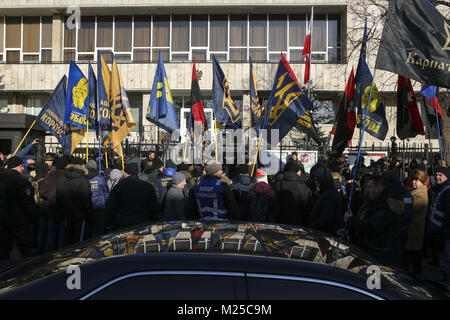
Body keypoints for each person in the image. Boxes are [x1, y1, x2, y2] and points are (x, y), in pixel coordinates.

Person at [345, 176, 403, 268]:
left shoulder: (387, 204)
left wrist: (351, 220)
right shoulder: (372, 201)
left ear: (378, 188)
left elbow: (373, 225)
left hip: (381, 254)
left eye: (369, 186)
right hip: (370, 250)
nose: (367, 189)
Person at [0, 156, 37, 260]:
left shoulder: (2, 179)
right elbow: (28, 203)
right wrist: (32, 217)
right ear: (20, 166)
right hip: (19, 220)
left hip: (4, 220)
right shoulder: (21, 181)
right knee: (26, 250)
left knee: (4, 250)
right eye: (22, 167)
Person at [106, 162, 158, 230]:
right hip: (142, 223)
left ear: (126, 173)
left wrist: (109, 223)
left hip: (123, 223)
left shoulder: (118, 187)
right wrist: (154, 220)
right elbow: (154, 206)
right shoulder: (148, 187)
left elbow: (111, 206)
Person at [56, 157, 93, 246]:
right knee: (78, 241)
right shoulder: (83, 180)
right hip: (80, 215)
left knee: (68, 238)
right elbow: (86, 199)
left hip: (66, 214)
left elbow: (58, 197)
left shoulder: (62, 179)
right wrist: (89, 214)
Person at [38, 156, 68, 253]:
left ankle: (48, 254)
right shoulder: (67, 176)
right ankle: (60, 254)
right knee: (62, 235)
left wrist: (50, 196)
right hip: (63, 209)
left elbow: (42, 191)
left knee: (51, 234)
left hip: (52, 207)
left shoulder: (50, 175)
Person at [402, 169, 429, 275]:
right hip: (413, 229)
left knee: (412, 256)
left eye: (416, 180)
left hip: (414, 229)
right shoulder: (415, 192)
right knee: (413, 256)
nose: (413, 182)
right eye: (413, 179)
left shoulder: (420, 195)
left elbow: (409, 209)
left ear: (422, 181)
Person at [427, 166, 450, 284]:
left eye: (440, 175)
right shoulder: (439, 190)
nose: (437, 177)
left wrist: (444, 233)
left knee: (447, 262)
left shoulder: (447, 191)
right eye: (436, 175)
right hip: (438, 231)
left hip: (445, 234)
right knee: (443, 261)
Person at [274, 161, 312, 227]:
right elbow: (307, 206)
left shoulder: (277, 184)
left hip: (279, 222)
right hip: (298, 224)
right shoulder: (302, 186)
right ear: (297, 171)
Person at [308, 166, 344, 236]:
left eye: (317, 180)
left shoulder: (329, 195)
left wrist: (312, 226)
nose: (315, 182)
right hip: (324, 232)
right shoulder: (327, 191)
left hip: (325, 233)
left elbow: (326, 218)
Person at [85, 160, 110, 237]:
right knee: (99, 231)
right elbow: (106, 194)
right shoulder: (100, 179)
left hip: (88, 207)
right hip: (99, 208)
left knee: (88, 230)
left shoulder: (84, 178)